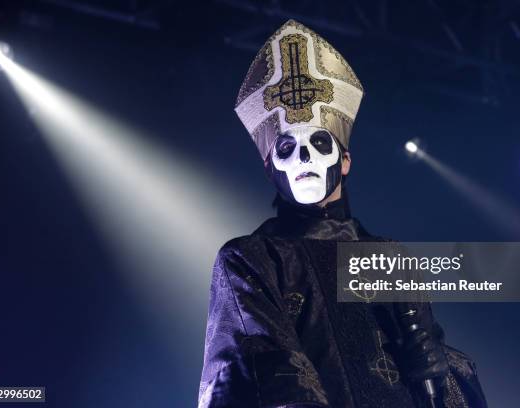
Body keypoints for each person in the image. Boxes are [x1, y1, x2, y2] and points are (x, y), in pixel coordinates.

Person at [198, 19, 487, 408]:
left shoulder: (388, 256)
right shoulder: (253, 260)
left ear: (345, 160)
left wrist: (440, 366)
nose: (303, 157)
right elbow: (269, 370)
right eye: (286, 148)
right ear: (270, 168)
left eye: (319, 142)